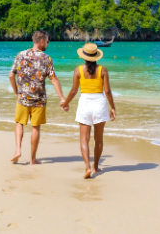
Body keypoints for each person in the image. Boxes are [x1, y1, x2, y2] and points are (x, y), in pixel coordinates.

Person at [9, 30, 67, 165]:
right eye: (47, 41)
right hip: (39, 100)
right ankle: (32, 159)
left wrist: (17, 93)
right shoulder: (46, 58)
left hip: (23, 98)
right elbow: (54, 79)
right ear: (41, 41)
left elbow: (11, 75)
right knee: (35, 128)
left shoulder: (20, 55)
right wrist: (62, 98)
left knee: (19, 123)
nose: (47, 43)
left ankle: (17, 150)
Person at [62, 43, 116, 179]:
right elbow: (108, 91)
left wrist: (65, 103)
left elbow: (74, 91)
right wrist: (113, 107)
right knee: (98, 139)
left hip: (85, 103)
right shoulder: (103, 70)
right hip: (100, 103)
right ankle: (95, 167)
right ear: (96, 56)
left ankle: (87, 167)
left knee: (84, 139)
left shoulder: (78, 70)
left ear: (83, 56)